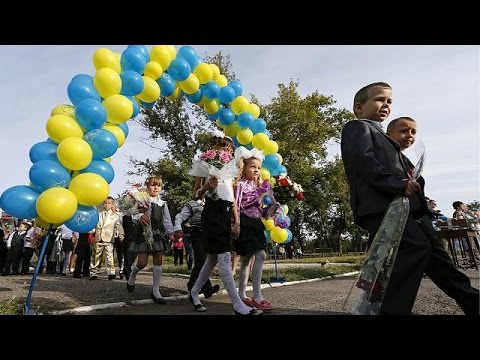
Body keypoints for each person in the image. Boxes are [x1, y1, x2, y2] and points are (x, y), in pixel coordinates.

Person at [341, 82, 479, 315]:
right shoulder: (357, 128)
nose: (385, 104)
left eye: (389, 101)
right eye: (379, 99)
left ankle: (473, 302)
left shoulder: (390, 144)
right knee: (415, 248)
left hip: (411, 213)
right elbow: (363, 161)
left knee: (436, 258)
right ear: (359, 107)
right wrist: (397, 185)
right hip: (381, 207)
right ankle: (390, 309)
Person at [187, 134, 262, 315]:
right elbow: (194, 195)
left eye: (229, 148)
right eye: (223, 147)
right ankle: (237, 304)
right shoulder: (204, 165)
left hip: (226, 213)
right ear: (214, 148)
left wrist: (236, 221)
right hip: (211, 213)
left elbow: (231, 197)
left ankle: (195, 291)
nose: (226, 151)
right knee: (224, 258)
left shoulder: (230, 169)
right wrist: (206, 187)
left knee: (212, 259)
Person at [233, 146, 273, 312]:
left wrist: (269, 210)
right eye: (252, 167)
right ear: (244, 168)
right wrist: (235, 223)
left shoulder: (257, 187)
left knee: (248, 260)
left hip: (256, 222)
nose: (256, 170)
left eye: (258, 167)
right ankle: (257, 296)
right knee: (260, 255)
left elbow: (261, 208)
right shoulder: (241, 184)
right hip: (245, 222)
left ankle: (242, 294)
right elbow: (235, 203)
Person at [126, 175, 174, 305]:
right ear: (147, 187)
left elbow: (167, 220)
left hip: (158, 234)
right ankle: (133, 274)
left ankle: (156, 290)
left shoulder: (162, 203)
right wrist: (140, 215)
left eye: (158, 185)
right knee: (142, 263)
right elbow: (132, 213)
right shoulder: (141, 200)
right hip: (143, 234)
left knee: (158, 258)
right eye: (153, 185)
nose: (156, 187)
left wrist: (171, 233)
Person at [174, 198, 220, 298]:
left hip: (209, 235)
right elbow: (180, 216)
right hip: (197, 234)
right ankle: (193, 286)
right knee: (201, 261)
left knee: (206, 262)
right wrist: (178, 228)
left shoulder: (213, 202)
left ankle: (204, 288)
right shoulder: (192, 204)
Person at [90, 197, 124, 280]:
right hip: (98, 238)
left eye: (109, 203)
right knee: (96, 256)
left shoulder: (115, 216)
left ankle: (111, 273)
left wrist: (121, 233)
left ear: (112, 205)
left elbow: (118, 225)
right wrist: (91, 231)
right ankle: (94, 272)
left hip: (109, 238)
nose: (107, 205)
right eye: (105, 203)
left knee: (109, 257)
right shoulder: (98, 215)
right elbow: (94, 225)